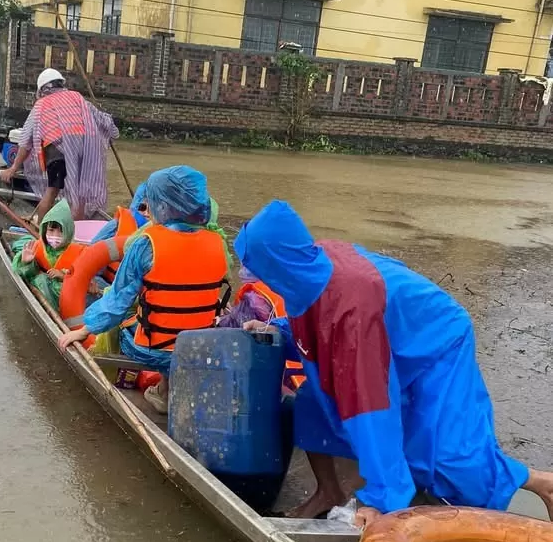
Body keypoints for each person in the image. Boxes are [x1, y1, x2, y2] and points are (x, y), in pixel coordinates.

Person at [235, 201, 553, 522]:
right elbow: (314, 321)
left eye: (260, 269)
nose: (259, 278)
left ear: (276, 264)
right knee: (313, 404)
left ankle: (542, 483)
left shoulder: (350, 306)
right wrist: (276, 329)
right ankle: (329, 491)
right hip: (387, 331)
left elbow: (371, 409)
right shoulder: (304, 270)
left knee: (453, 458)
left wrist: (380, 500)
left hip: (437, 339)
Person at [57, 165, 229, 414]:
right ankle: (169, 389)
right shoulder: (219, 243)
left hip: (153, 349)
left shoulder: (146, 244)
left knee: (123, 325)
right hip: (200, 347)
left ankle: (144, 388)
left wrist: (84, 330)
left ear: (163, 204)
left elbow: (117, 301)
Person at [0, 68, 118, 223]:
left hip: (57, 153)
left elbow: (25, 141)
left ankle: (42, 235)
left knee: (51, 191)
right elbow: (104, 121)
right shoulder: (77, 97)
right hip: (84, 153)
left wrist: (14, 168)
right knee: (80, 197)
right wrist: (112, 134)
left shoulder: (41, 105)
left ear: (42, 89)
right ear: (61, 84)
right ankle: (78, 234)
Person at [10, 198, 84, 310]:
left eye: (61, 231)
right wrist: (26, 262)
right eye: (51, 230)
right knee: (41, 279)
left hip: (68, 296)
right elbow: (29, 273)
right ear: (45, 230)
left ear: (69, 232)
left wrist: (63, 276)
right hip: (47, 290)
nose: (56, 235)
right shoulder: (38, 247)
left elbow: (83, 279)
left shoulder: (79, 252)